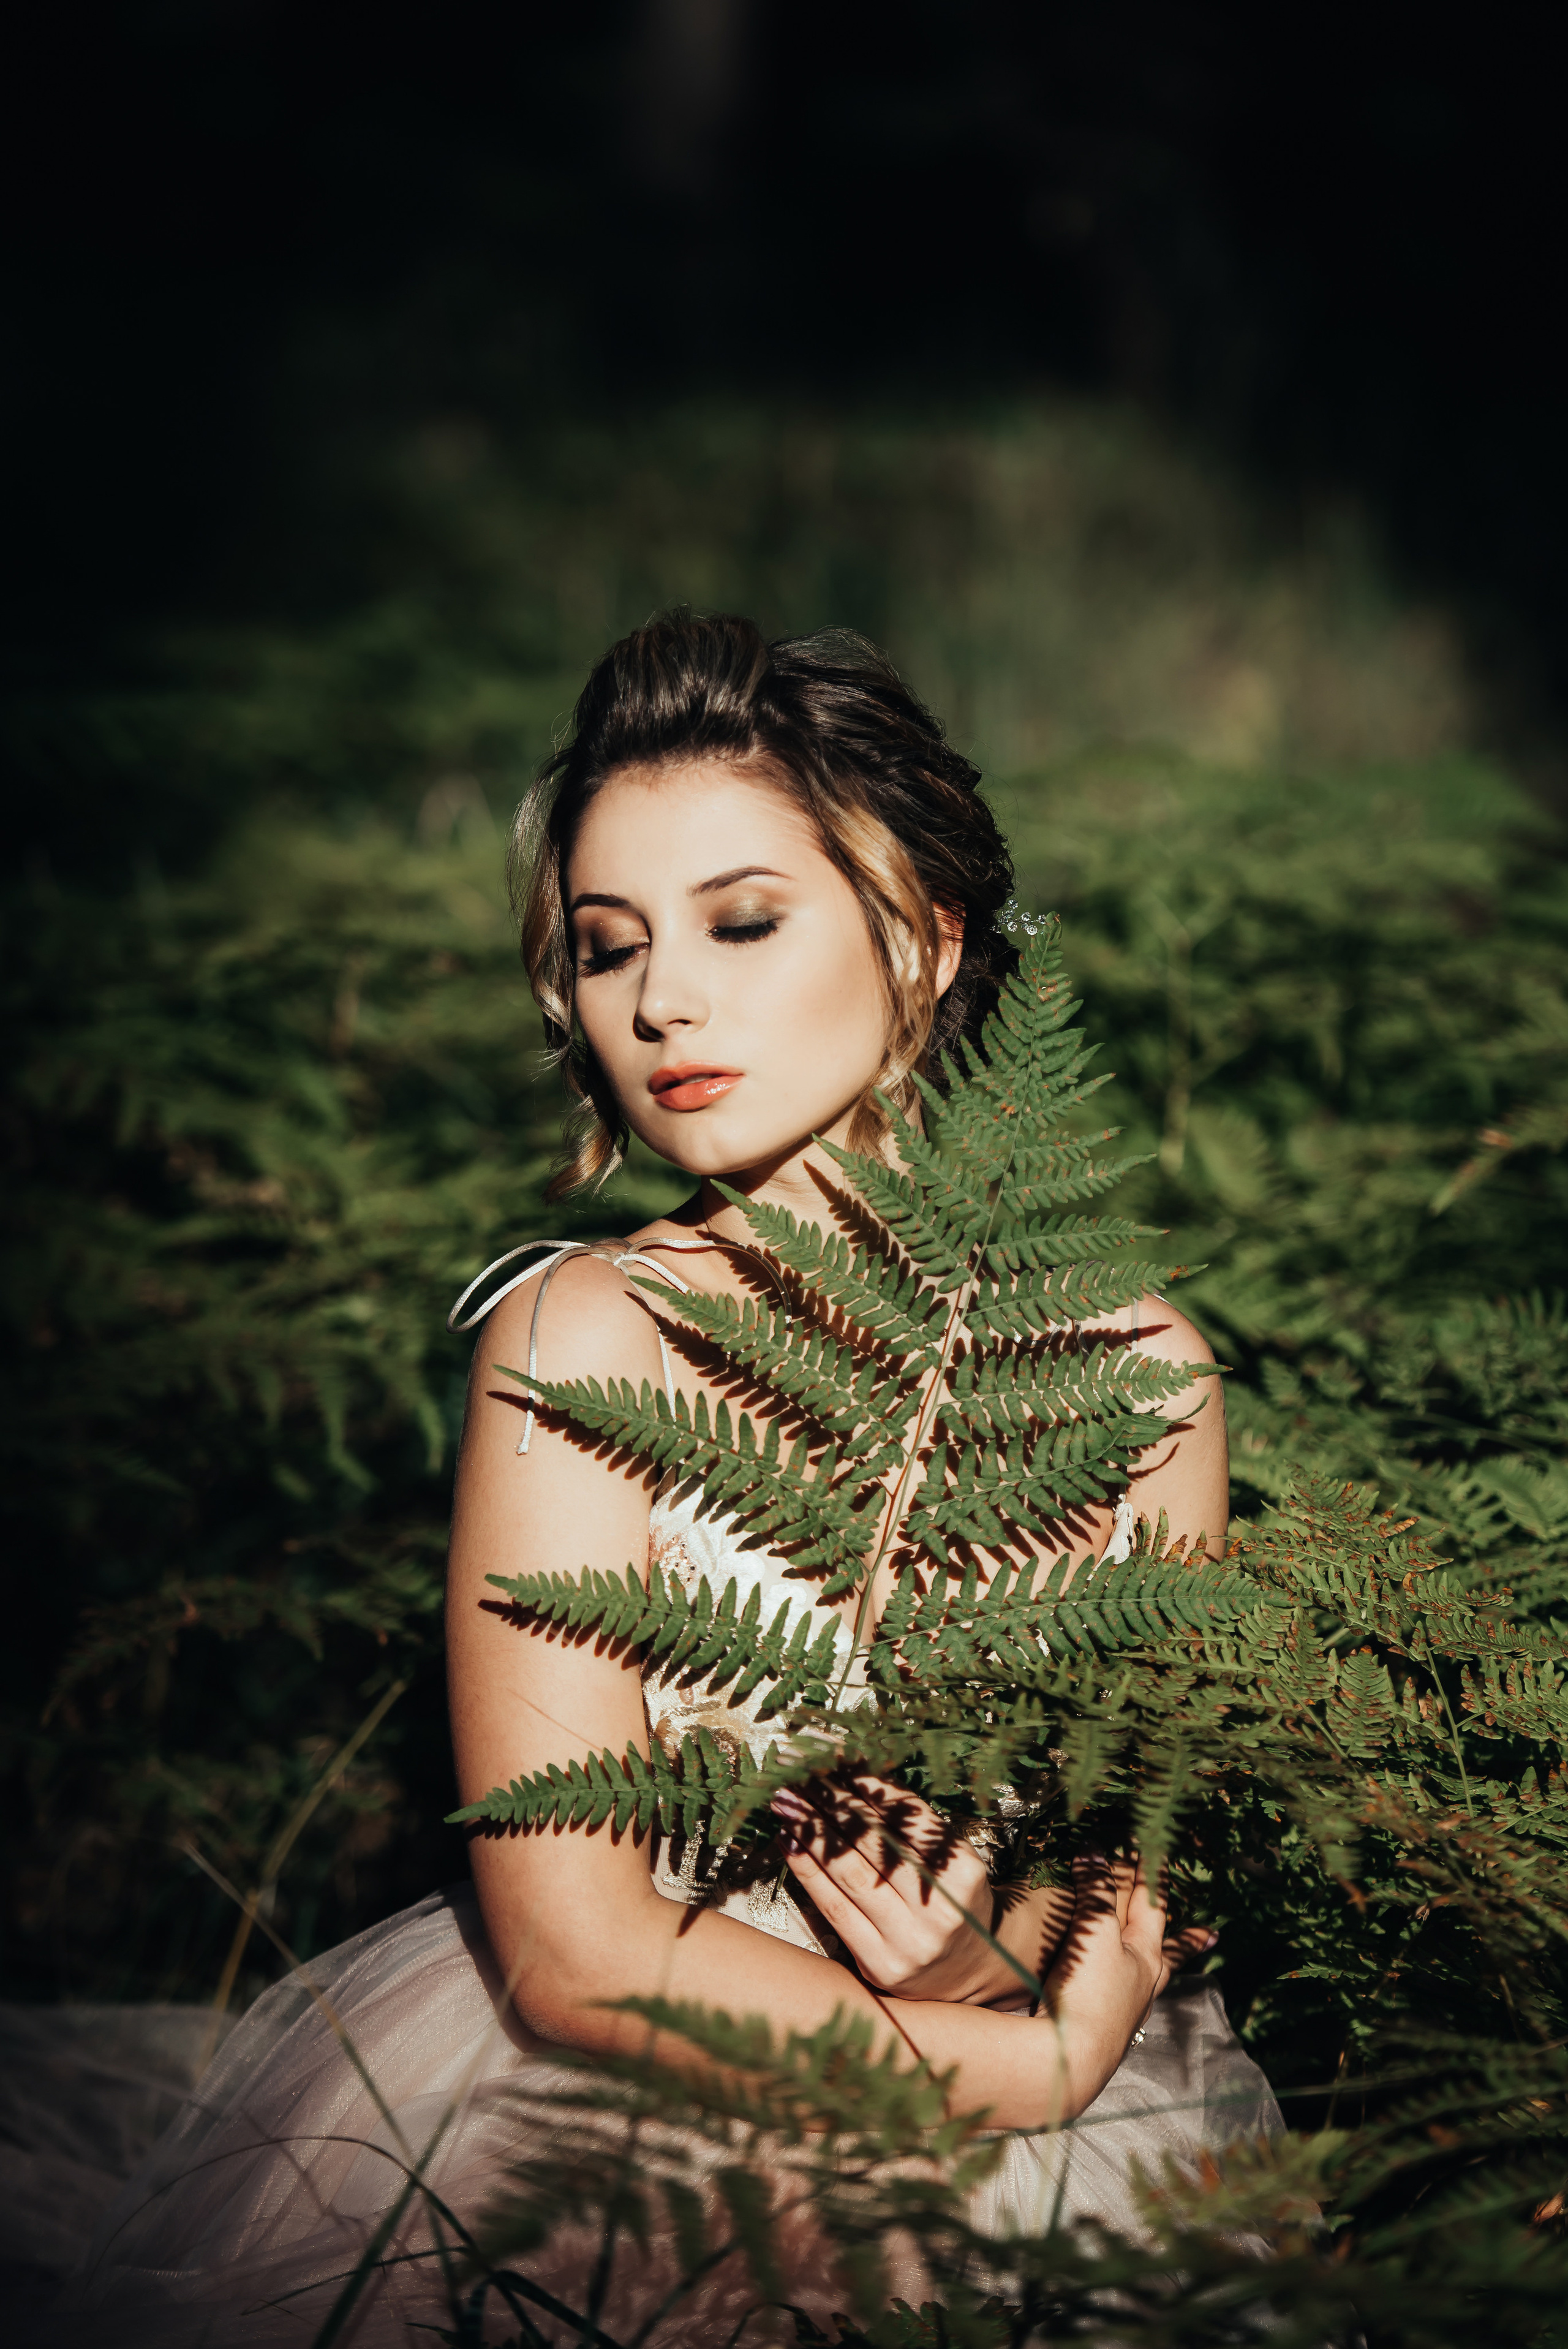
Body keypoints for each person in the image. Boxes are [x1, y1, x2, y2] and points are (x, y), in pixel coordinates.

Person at [58, 613, 1280, 2345]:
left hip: (1056, 2114)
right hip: (649, 2095)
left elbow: (1136, 1855)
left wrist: (993, 1979)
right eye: (607, 944)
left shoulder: (1141, 1368)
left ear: (926, 942)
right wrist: (1022, 2051)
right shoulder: (587, 1332)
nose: (660, 1000)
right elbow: (575, 1944)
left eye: (741, 920)